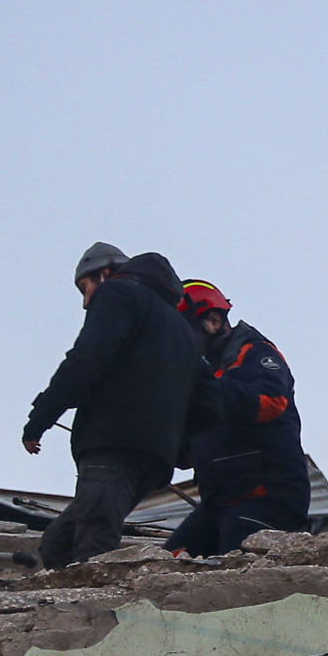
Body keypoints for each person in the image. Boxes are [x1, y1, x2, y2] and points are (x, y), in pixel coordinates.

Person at [22, 243, 203, 568]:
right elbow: (207, 398)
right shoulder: (181, 329)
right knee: (58, 545)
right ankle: (73, 613)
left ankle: (102, 615)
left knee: (95, 546)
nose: (85, 301)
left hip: (113, 445)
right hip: (153, 460)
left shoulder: (117, 293)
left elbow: (86, 359)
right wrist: (183, 449)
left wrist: (39, 420)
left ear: (104, 273)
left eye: (85, 287)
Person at [164, 280, 308, 556]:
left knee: (239, 569)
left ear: (214, 321)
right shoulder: (206, 379)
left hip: (267, 495)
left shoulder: (256, 353)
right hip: (219, 501)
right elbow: (190, 451)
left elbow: (272, 402)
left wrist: (204, 382)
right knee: (162, 564)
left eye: (184, 335)